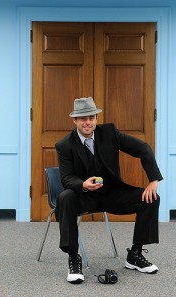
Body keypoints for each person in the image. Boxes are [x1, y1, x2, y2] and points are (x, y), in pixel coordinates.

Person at [55, 97, 163, 284]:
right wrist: (83, 185)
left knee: (151, 198)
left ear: (96, 118)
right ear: (75, 120)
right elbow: (66, 178)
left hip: (112, 194)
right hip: (84, 196)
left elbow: (142, 148)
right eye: (82, 118)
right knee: (65, 198)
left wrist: (153, 180)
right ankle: (73, 257)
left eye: (91, 117)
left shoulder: (109, 132)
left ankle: (135, 255)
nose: (87, 122)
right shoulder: (64, 145)